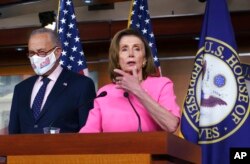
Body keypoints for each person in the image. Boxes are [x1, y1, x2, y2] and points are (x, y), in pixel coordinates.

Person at [79, 28, 180, 133]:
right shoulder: (105, 93)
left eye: (137, 49)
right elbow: (87, 135)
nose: (131, 54)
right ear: (117, 60)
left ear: (145, 60)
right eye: (124, 49)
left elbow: (171, 125)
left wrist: (137, 91)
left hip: (151, 149)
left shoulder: (161, 85)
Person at [8, 28, 96, 134]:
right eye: (32, 53)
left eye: (41, 52)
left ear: (57, 52)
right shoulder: (21, 89)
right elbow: (13, 132)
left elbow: (88, 131)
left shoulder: (81, 85)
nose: (35, 58)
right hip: (26, 150)